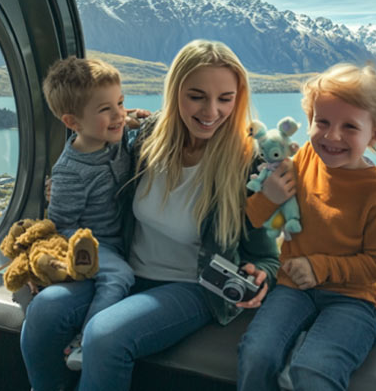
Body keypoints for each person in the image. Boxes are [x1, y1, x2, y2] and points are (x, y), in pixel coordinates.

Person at [21, 40, 281, 391]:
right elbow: (93, 159)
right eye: (197, 96)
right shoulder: (146, 138)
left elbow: (267, 258)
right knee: (44, 310)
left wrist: (260, 275)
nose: (212, 111)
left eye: (225, 98)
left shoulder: (249, 163)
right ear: (175, 93)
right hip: (125, 269)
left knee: (104, 335)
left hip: (191, 286)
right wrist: (60, 201)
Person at [238, 63, 376, 391]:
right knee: (256, 353)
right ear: (309, 119)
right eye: (321, 121)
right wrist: (268, 197)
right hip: (293, 289)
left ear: (375, 134)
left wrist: (318, 267)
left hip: (354, 299)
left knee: (314, 371)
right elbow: (254, 217)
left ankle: (358, 334)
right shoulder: (305, 157)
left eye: (350, 126)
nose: (331, 136)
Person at [40, 57, 143, 371]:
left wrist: (132, 119)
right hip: (88, 241)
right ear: (73, 122)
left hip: (116, 238)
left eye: (121, 103)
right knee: (120, 276)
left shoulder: (113, 139)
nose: (118, 115)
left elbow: (125, 123)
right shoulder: (71, 172)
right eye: (105, 110)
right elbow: (60, 224)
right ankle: (85, 341)